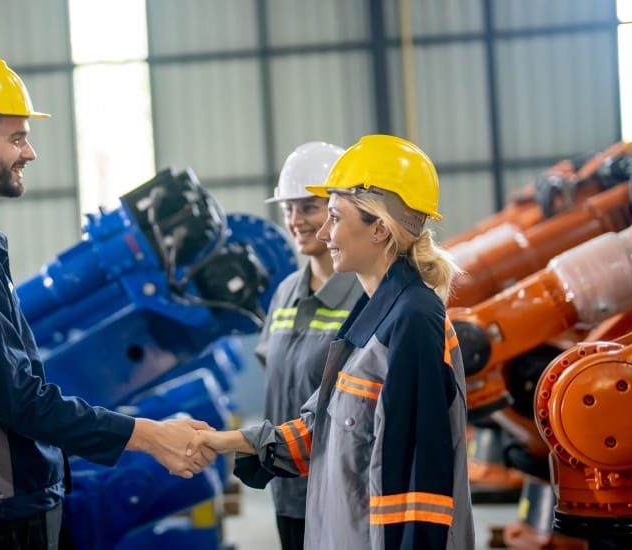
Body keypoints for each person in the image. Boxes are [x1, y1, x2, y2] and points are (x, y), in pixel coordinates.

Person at [0, 56, 213, 550]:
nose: (30, 153)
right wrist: (151, 436)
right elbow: (19, 399)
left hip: (1, 504)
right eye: (16, 138)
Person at [187, 135, 474, 549]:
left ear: (379, 227)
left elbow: (417, 493)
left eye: (334, 217)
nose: (322, 231)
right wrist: (221, 441)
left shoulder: (412, 321)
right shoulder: (373, 315)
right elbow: (324, 429)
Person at [257, 142, 362, 550]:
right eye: (288, 209)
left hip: (343, 491)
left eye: (309, 207)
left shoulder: (364, 294)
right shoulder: (285, 291)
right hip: (287, 487)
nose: (295, 220)